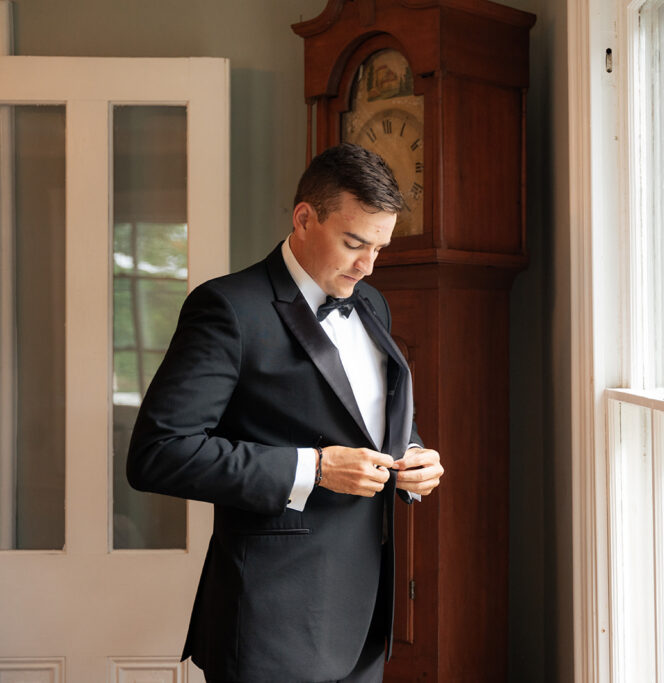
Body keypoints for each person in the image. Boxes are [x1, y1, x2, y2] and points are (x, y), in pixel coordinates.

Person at [127, 143, 444, 683]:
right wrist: (314, 469)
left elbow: (370, 413)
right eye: (353, 243)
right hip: (271, 623)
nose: (368, 265)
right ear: (304, 218)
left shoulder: (372, 304)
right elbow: (158, 453)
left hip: (364, 619)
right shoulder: (228, 308)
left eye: (379, 248)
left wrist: (411, 455)